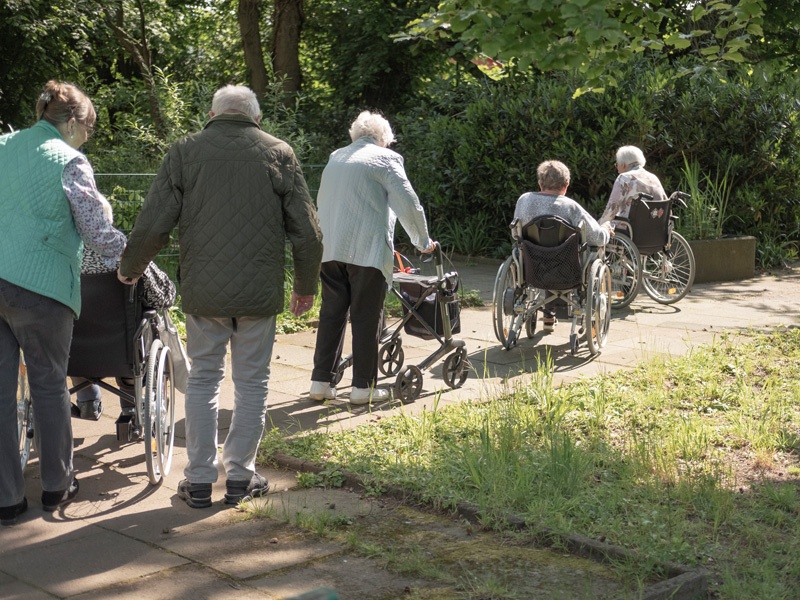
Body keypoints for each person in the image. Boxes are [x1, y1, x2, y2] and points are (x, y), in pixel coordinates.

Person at [118, 85, 322, 509]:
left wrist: (130, 269)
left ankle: (197, 480)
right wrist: (306, 286)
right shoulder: (278, 152)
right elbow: (307, 231)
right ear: (256, 118)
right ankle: (240, 478)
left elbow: (155, 222)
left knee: (203, 380)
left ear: (212, 114)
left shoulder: (185, 151)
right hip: (258, 293)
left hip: (204, 293)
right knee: (252, 384)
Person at [0, 80, 127, 524]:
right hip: (41, 286)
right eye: (89, 126)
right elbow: (96, 231)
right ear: (72, 122)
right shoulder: (69, 160)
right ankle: (57, 486)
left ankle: (7, 498)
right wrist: (134, 253)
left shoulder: (3, 145)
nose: (88, 136)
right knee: (50, 385)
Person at [309, 111, 434, 406]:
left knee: (332, 314)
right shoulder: (386, 159)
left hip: (329, 248)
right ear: (384, 139)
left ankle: (320, 382)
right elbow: (409, 203)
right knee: (367, 316)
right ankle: (363, 388)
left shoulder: (336, 157)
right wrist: (423, 241)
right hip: (365, 249)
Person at [71, 196, 177, 421]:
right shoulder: (125, 255)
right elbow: (165, 295)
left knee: (72, 337)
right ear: (107, 222)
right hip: (122, 352)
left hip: (74, 352)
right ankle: (131, 404)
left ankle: (87, 400)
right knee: (140, 329)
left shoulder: (63, 259)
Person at [514, 160, 611, 333]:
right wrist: (605, 230)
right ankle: (572, 312)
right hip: (568, 270)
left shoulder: (524, 200)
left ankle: (549, 315)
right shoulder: (570, 207)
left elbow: (516, 234)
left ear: (540, 183)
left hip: (532, 268)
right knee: (589, 250)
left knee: (541, 252)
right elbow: (596, 237)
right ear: (566, 185)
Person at [598, 145, 668, 230]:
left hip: (630, 229)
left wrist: (600, 225)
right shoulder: (653, 177)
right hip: (654, 229)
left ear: (623, 165)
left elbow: (612, 207)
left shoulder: (624, 178)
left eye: (616, 164)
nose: (616, 168)